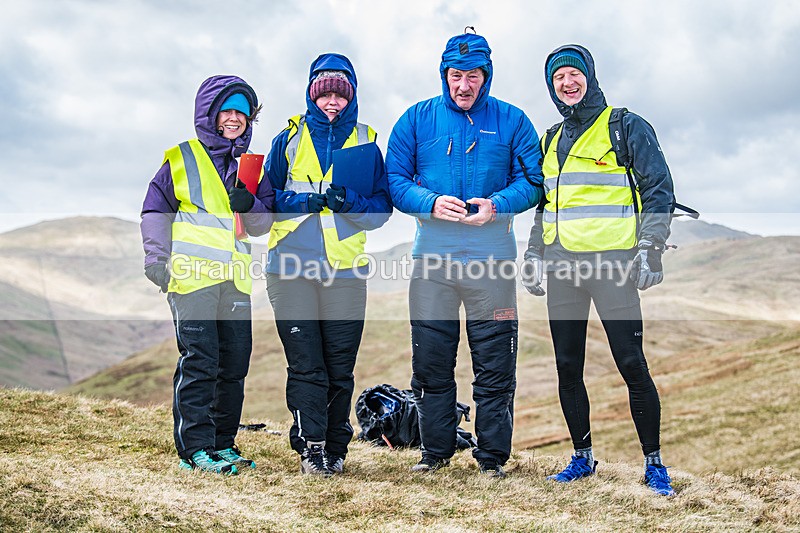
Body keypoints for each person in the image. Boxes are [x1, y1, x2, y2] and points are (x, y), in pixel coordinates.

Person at [386, 29, 543, 478]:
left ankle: (491, 459)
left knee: (495, 364)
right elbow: (395, 179)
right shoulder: (416, 120)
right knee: (431, 363)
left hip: (492, 263)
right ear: (444, 75)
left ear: (486, 75)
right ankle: (434, 453)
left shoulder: (513, 120)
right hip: (432, 263)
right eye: (456, 75)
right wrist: (430, 202)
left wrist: (498, 205)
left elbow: (533, 181)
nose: (464, 84)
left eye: (473, 75)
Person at [522, 44, 676, 496]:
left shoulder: (625, 126)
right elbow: (546, 204)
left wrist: (651, 247)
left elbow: (659, 189)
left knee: (631, 363)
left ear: (589, 76)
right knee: (567, 366)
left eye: (573, 74)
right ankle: (582, 457)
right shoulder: (550, 139)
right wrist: (533, 254)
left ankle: (654, 464)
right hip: (562, 267)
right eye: (557, 78)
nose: (566, 83)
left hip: (613, 265)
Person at [264, 53, 392, 476]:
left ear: (351, 97)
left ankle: (336, 449)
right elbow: (265, 202)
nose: (332, 102)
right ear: (311, 95)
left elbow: (380, 210)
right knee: (306, 364)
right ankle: (311, 449)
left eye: (340, 95)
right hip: (290, 269)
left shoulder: (366, 140)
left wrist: (348, 202)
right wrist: (304, 201)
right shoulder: (287, 140)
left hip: (345, 272)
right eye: (324, 95)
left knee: (340, 368)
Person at [140, 75, 274, 475]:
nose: (234, 119)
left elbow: (263, 224)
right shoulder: (181, 159)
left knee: (233, 365)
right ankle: (195, 450)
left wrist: (249, 203)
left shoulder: (251, 167)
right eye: (226, 111)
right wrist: (156, 258)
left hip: (234, 281)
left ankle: (223, 444)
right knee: (200, 362)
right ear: (209, 114)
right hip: (191, 278)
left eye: (242, 113)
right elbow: (155, 210)